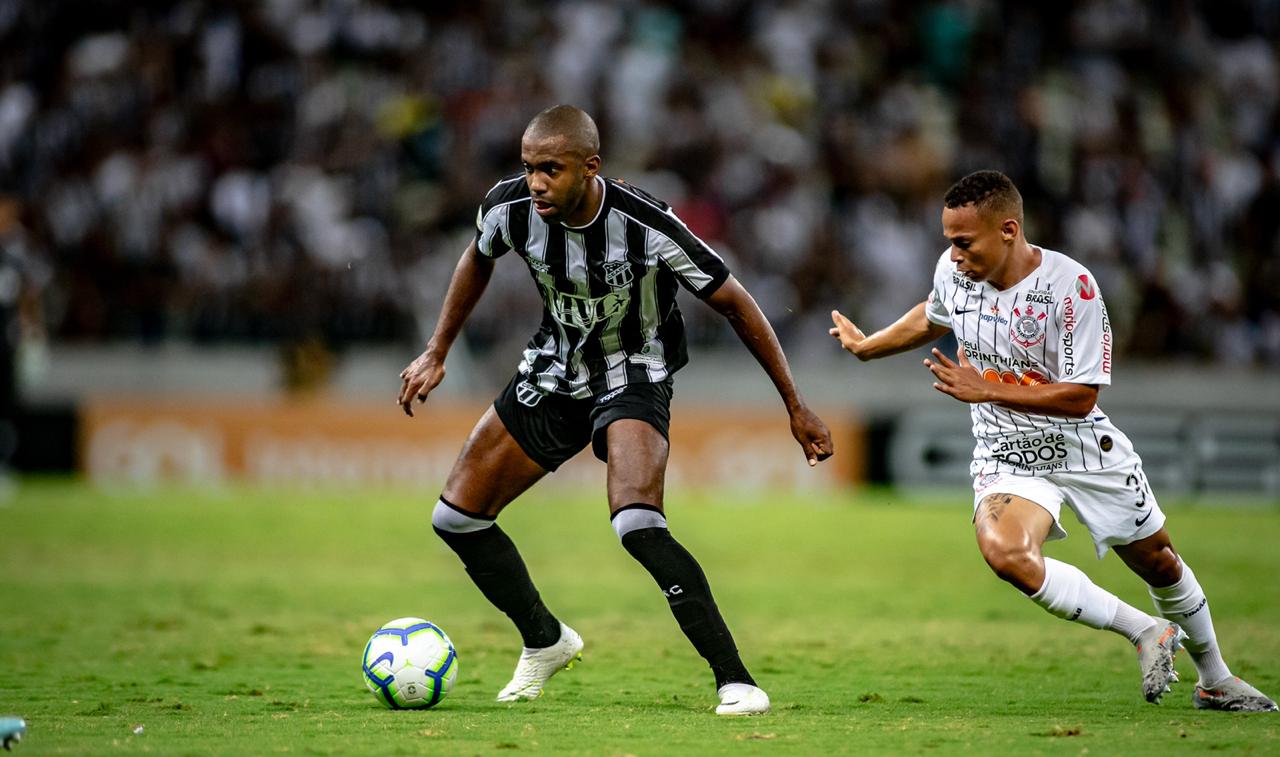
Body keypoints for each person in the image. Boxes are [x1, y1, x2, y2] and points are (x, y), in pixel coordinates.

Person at [398, 105, 833, 716]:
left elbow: (736, 301)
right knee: (457, 519)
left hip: (634, 368)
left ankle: (735, 680)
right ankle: (545, 640)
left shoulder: (646, 223)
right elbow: (478, 255)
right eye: (529, 168)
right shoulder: (508, 207)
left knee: (636, 524)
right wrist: (436, 349)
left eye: (551, 169)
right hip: (554, 369)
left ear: (590, 167)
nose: (536, 183)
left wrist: (796, 405)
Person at [829, 170, 1276, 712]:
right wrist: (869, 346)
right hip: (1005, 453)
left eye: (963, 241)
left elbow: (1081, 396)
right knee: (1006, 554)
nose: (953, 253)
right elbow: (933, 312)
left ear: (1009, 230)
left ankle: (1215, 678)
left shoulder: (1072, 288)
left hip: (1081, 446)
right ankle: (1143, 631)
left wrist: (985, 388)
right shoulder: (954, 271)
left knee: (1158, 561)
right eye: (949, 240)